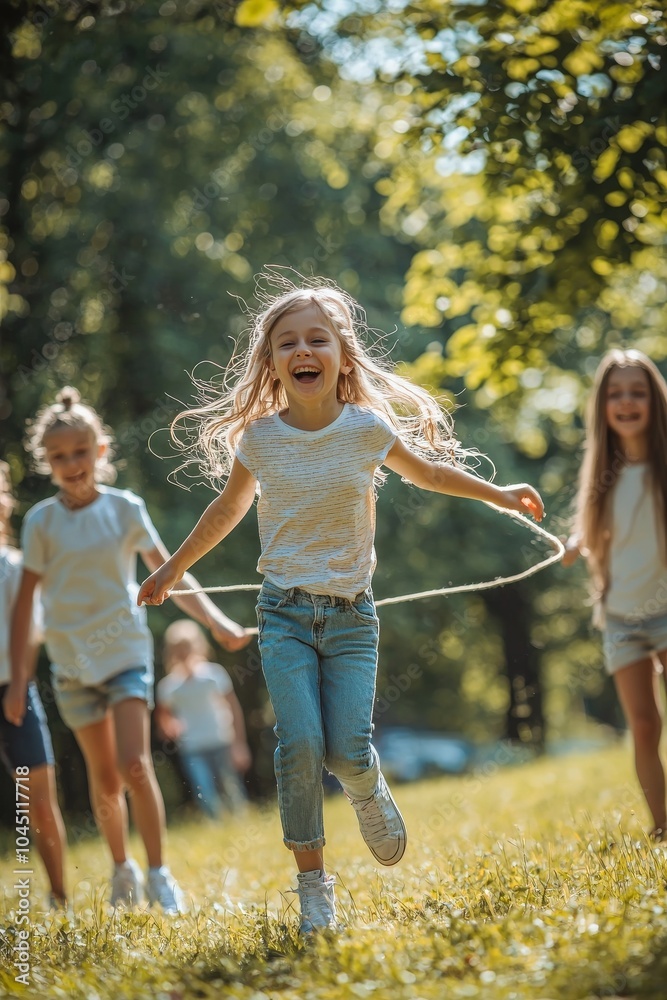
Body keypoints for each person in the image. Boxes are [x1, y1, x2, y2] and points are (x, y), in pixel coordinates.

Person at [137, 276, 544, 934]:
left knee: (347, 752)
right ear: (271, 364)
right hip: (284, 616)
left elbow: (430, 474)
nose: (303, 349)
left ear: (341, 357)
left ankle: (365, 786)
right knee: (298, 743)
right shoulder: (262, 440)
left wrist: (501, 495)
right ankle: (312, 887)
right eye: (287, 342)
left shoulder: (365, 430)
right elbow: (223, 514)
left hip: (353, 618)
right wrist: (170, 570)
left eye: (316, 339)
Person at [3, 388, 250, 915]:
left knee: (135, 763)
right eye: (59, 456)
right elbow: (24, 608)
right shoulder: (41, 522)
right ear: (47, 461)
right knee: (106, 777)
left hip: (124, 656)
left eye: (80, 452)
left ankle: (159, 872)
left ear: (100, 451)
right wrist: (21, 681)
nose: (72, 464)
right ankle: (123, 868)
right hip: (72, 668)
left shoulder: (125, 509)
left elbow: (173, 576)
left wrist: (220, 622)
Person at [563, 348, 667, 843]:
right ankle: (662, 827)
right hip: (622, 616)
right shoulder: (601, 473)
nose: (627, 403)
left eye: (638, 392)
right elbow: (588, 533)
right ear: (603, 406)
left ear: (655, 400)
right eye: (616, 394)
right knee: (644, 726)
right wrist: (572, 545)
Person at [0, 461, 68, 910]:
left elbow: (29, 634)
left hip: (13, 693)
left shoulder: (14, 568)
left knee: (39, 804)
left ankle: (60, 896)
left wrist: (17, 688)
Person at [155, 619, 251, 819]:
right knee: (205, 793)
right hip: (192, 747)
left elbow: (233, 708)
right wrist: (169, 726)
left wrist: (238, 744)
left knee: (232, 789)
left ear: (198, 645)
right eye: (177, 648)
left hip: (221, 739)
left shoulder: (214, 675)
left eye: (186, 646)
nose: (183, 652)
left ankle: (241, 825)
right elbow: (163, 716)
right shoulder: (169, 686)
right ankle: (217, 829)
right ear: (171, 651)